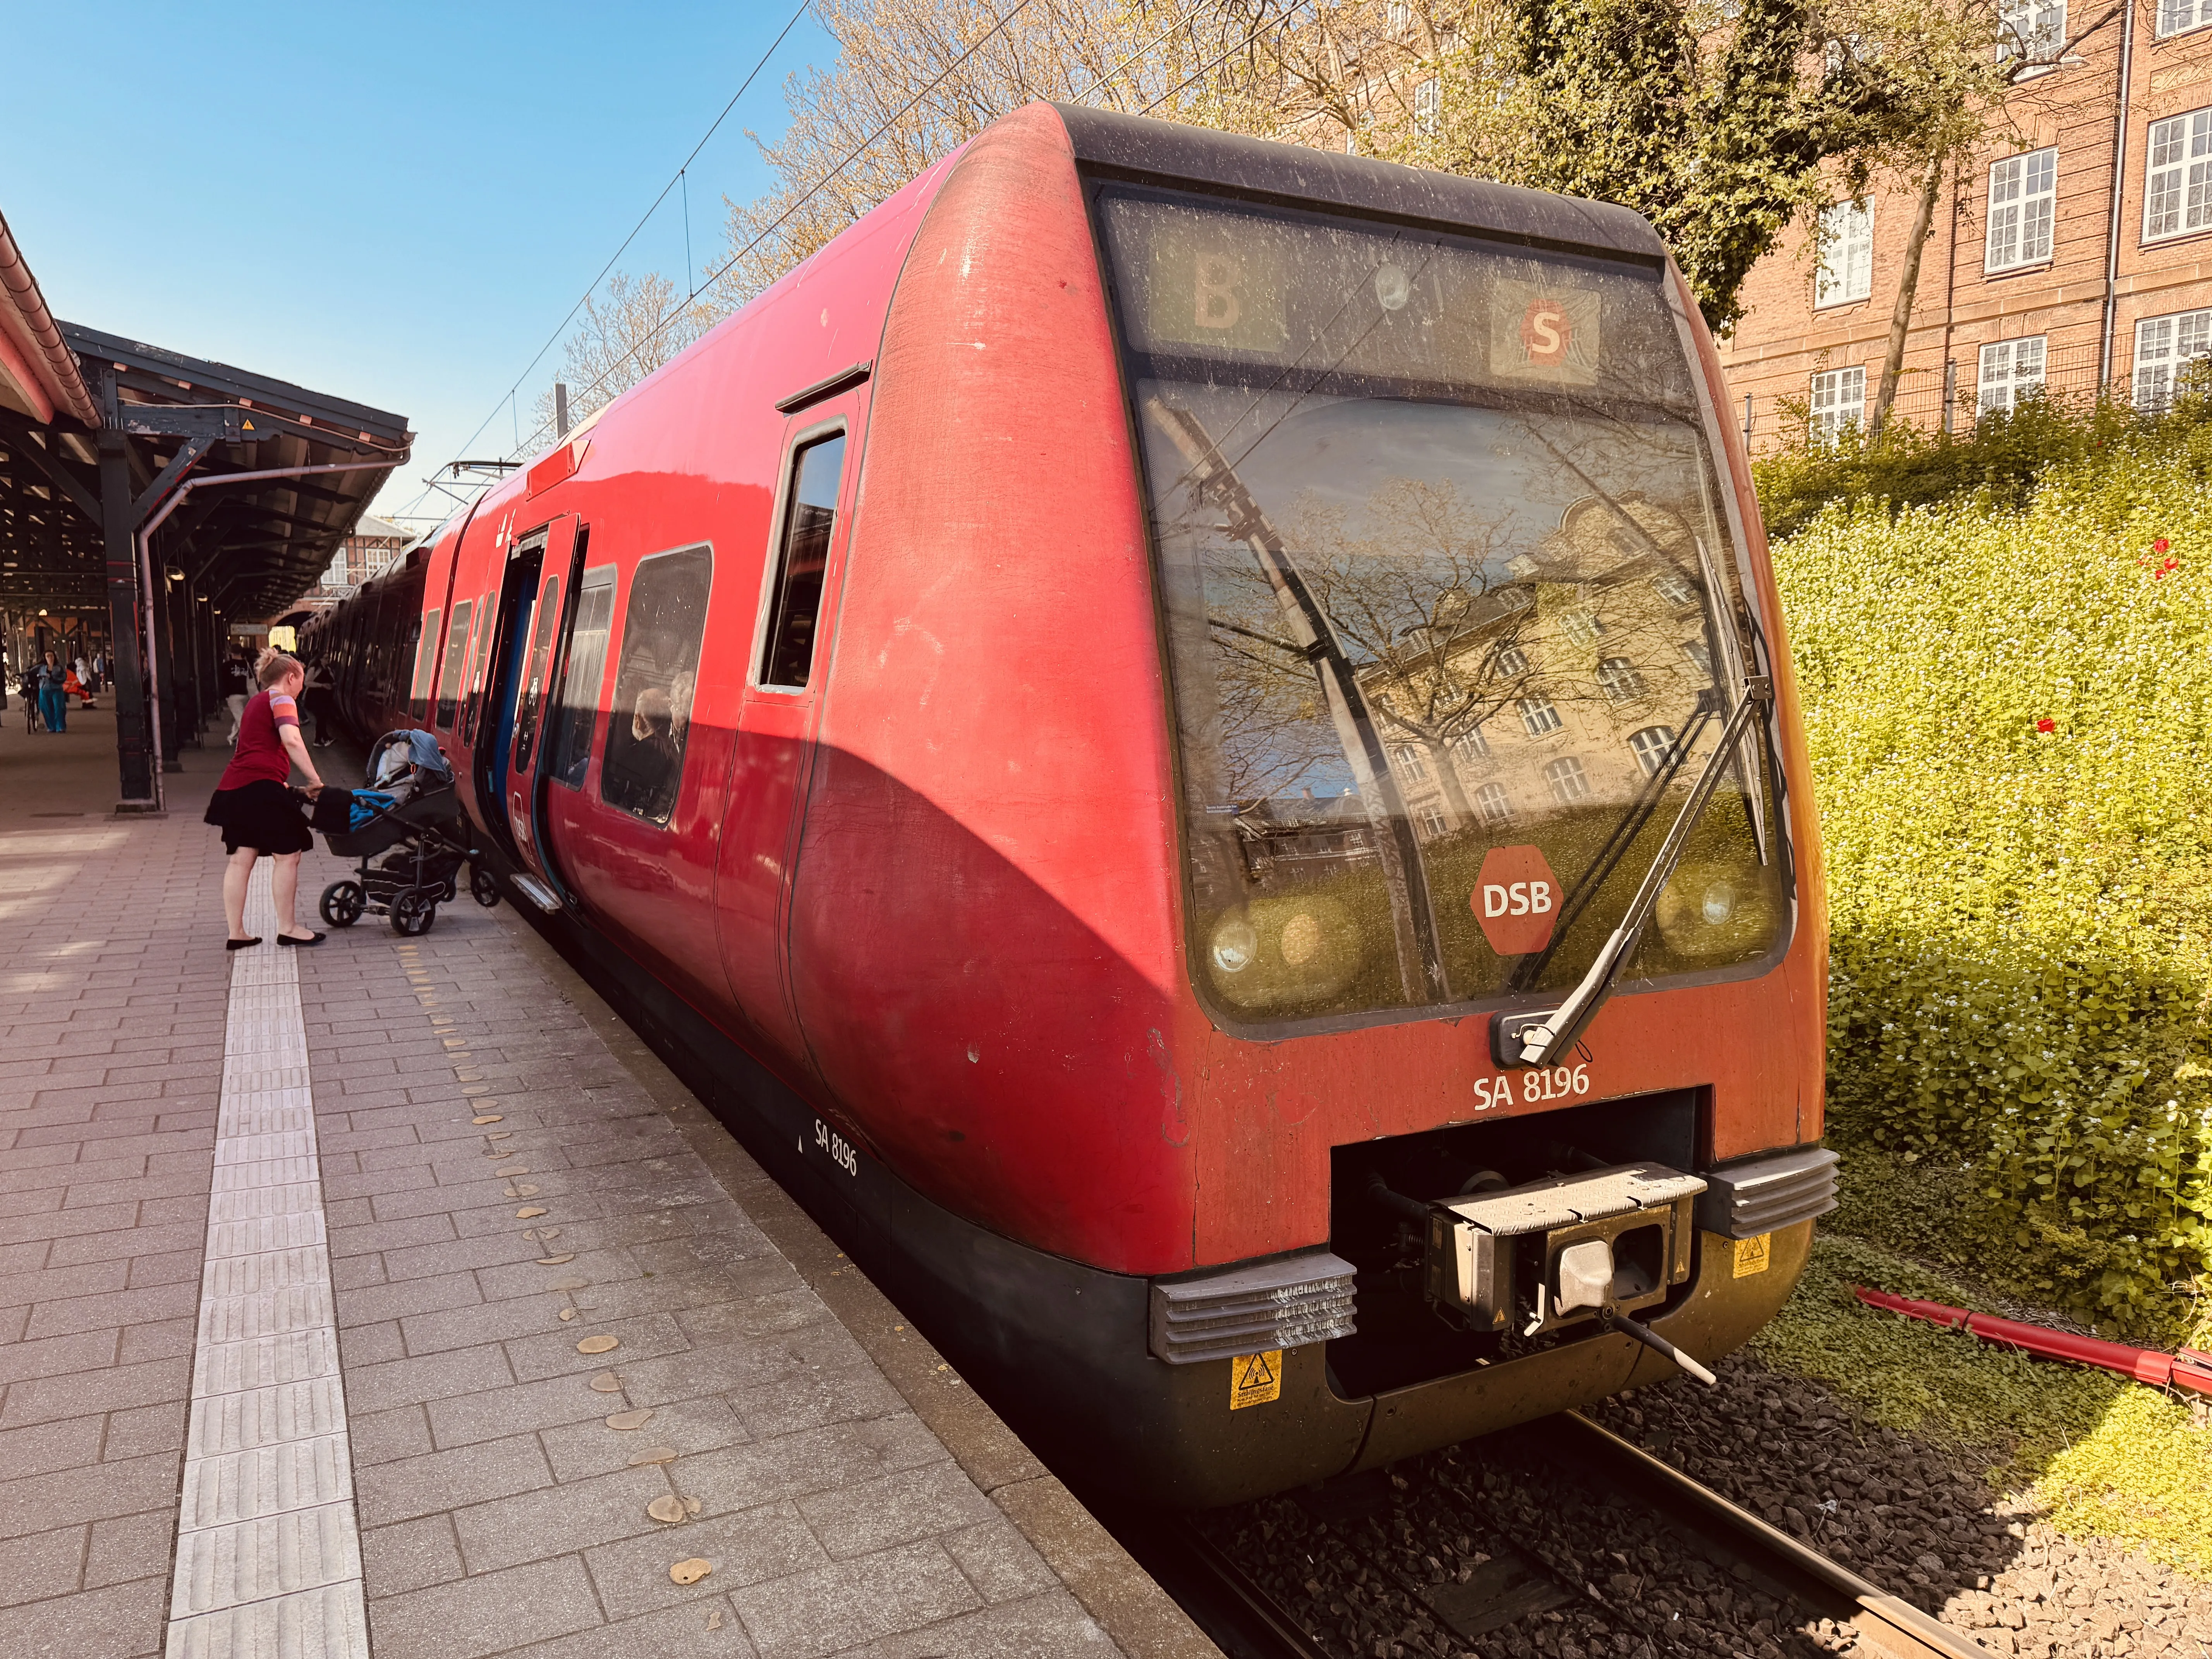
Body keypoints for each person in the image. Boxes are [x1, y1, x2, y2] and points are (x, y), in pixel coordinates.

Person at [203, 650, 327, 949]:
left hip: (236, 786)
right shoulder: (282, 699)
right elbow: (292, 739)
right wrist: (314, 780)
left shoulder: (256, 703)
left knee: (241, 860)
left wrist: (284, 784)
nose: (302, 689)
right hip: (260, 787)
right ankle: (288, 928)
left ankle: (237, 933)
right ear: (291, 677)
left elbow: (256, 749)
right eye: (301, 682)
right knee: (288, 855)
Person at [220, 652, 252, 744]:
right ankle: (234, 737)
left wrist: (224, 695)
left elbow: (223, 681)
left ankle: (242, 739)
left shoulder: (226, 666)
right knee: (241, 717)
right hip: (246, 694)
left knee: (240, 718)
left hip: (232, 695)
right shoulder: (247, 664)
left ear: (231, 653)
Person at [36, 652, 67, 734]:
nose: (50, 658)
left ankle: (60, 727)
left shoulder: (59, 667)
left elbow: (64, 677)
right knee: (46, 708)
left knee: (59, 708)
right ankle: (51, 727)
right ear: (45, 658)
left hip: (56, 689)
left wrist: (55, 679)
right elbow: (33, 673)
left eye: (52, 656)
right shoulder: (41, 667)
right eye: (48, 656)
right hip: (44, 689)